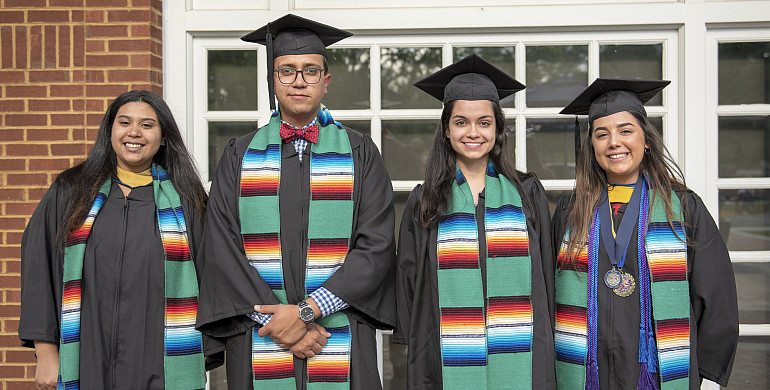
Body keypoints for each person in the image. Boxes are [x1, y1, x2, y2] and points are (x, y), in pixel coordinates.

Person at [195, 14, 396, 389]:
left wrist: (309, 310)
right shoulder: (240, 155)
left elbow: (377, 245)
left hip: (341, 332)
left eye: (311, 71)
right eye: (286, 70)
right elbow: (222, 248)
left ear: (326, 82)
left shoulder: (359, 152)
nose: (299, 80)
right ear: (272, 80)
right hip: (260, 333)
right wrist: (279, 324)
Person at [19, 90, 219, 389]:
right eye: (124, 122)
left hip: (161, 359)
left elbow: (214, 277)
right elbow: (39, 266)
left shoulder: (187, 201)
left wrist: (204, 350)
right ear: (110, 131)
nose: (134, 132)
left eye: (147, 125)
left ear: (163, 136)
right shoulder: (71, 192)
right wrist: (45, 351)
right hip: (86, 353)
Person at [552, 79, 739, 389]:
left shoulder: (681, 207)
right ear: (592, 146)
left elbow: (716, 292)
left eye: (625, 130)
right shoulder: (572, 210)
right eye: (602, 134)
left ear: (647, 140)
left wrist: (706, 370)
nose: (614, 142)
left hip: (656, 371)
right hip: (586, 370)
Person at [394, 53, 556, 389]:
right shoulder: (425, 200)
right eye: (461, 122)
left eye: (484, 122)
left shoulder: (527, 194)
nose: (473, 132)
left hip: (522, 348)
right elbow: (409, 284)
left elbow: (546, 279)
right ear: (446, 130)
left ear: (498, 129)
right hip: (443, 353)